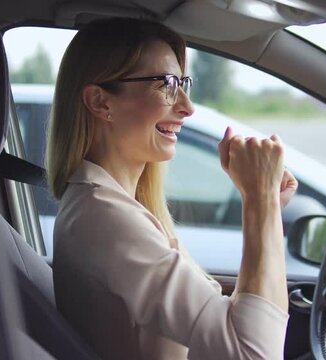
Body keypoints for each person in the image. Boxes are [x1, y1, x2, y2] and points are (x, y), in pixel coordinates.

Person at [46, 17, 298, 360]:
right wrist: (259, 201)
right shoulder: (105, 220)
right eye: (165, 84)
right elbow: (253, 353)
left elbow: (229, 325)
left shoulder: (109, 207)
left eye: (182, 83)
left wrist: (266, 206)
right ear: (101, 102)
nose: (187, 107)